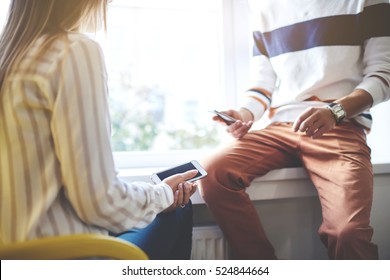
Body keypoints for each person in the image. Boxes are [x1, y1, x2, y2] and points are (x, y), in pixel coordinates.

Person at [0, 0, 197, 260]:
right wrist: (163, 195)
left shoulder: (10, 56)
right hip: (63, 255)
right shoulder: (72, 50)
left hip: (15, 254)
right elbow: (99, 203)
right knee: (179, 207)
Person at [199, 0, 390, 260]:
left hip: (339, 125)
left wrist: (335, 111)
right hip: (279, 128)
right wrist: (244, 114)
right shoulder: (263, 7)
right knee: (211, 171)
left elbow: (383, 75)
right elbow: (262, 82)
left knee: (348, 231)